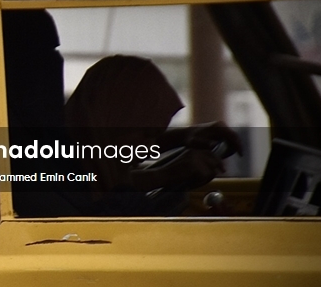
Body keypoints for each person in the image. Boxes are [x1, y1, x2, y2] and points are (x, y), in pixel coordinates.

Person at [64, 54, 242, 215]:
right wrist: (167, 174)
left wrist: (183, 137)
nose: (149, 147)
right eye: (146, 133)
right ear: (112, 122)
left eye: (156, 135)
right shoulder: (62, 182)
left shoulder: (81, 158)